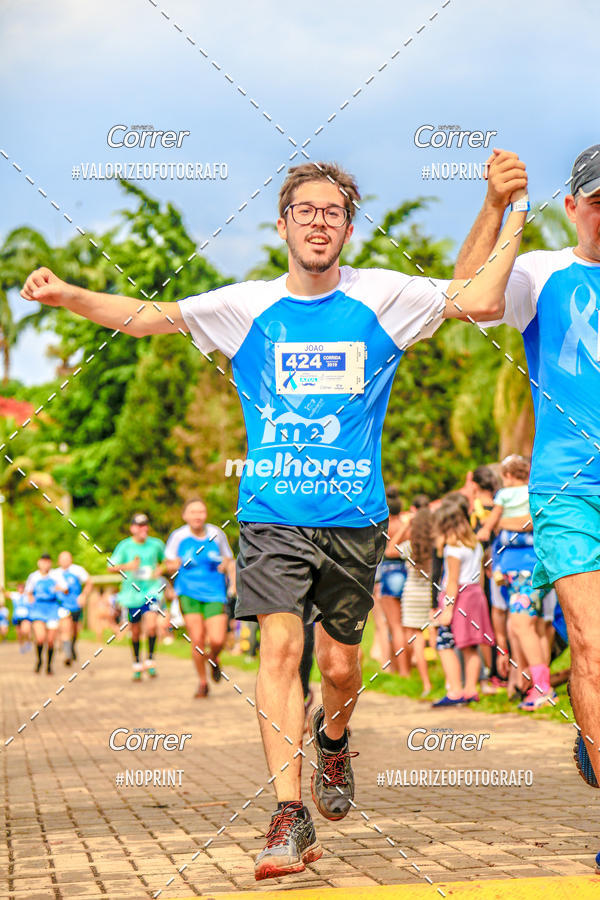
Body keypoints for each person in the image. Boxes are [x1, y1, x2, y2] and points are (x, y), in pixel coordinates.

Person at [21, 152, 529, 881]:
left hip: (353, 520)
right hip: (270, 514)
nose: (319, 223)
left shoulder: (383, 296)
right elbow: (144, 319)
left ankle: (334, 738)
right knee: (280, 655)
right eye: (306, 211)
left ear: (349, 228)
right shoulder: (247, 304)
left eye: (333, 213)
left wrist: (502, 208)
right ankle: (288, 813)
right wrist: (69, 294)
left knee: (340, 666)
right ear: (284, 223)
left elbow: (480, 300)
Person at [455, 143, 600, 778]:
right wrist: (494, 205)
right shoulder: (542, 274)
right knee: (593, 648)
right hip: (570, 487)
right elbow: (466, 296)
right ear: (572, 207)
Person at [478, 455, 555, 709]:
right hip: (511, 573)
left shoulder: (525, 495)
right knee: (516, 627)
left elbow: (531, 522)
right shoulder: (518, 495)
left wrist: (494, 524)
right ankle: (525, 683)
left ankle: (543, 688)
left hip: (526, 571)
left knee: (524, 627)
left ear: (508, 475)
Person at [164, 498, 235, 697]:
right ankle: (203, 682)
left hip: (215, 592)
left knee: (218, 639)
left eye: (201, 512)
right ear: (185, 515)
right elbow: (167, 563)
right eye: (193, 512)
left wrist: (226, 567)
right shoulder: (178, 536)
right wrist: (174, 564)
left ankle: (214, 658)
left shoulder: (215, 533)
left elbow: (229, 558)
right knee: (197, 640)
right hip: (188, 592)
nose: (197, 516)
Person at [431, 499, 494, 706]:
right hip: (475, 595)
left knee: (444, 643)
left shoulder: (453, 549)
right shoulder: (474, 543)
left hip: (459, 598)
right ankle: (470, 690)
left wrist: (447, 609)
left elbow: (452, 581)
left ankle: (456, 691)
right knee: (471, 645)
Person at [108, 513, 165, 681]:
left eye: (146, 525)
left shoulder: (156, 544)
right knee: (135, 631)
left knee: (152, 625)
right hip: (132, 595)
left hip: (152, 592)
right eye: (140, 525)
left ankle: (151, 660)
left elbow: (168, 561)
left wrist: (160, 570)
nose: (143, 528)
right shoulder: (124, 546)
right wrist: (128, 566)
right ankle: (137, 663)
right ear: (133, 528)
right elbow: (110, 567)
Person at [398, 506, 435, 696]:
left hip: (412, 596)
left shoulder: (409, 546)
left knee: (417, 640)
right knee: (438, 635)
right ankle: (448, 680)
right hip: (432, 595)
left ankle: (426, 684)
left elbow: (390, 549)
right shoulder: (437, 545)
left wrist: (407, 526)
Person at [377, 488, 410, 677]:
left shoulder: (385, 525)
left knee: (394, 626)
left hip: (389, 572)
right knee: (407, 626)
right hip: (406, 571)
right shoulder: (408, 525)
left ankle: (401, 670)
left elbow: (387, 551)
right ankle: (405, 668)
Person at [25, 554, 68, 675]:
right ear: (39, 563)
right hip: (38, 609)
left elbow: (65, 589)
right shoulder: (33, 577)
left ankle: (49, 665)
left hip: (52, 609)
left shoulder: (56, 575)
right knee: (40, 638)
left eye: (48, 562)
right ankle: (39, 661)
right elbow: (29, 592)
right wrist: (31, 601)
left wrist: (58, 589)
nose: (45, 565)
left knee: (50, 640)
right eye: (43, 562)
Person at [53, 551, 92, 666]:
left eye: (67, 558)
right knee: (66, 628)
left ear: (71, 559)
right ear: (59, 561)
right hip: (62, 605)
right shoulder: (55, 574)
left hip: (76, 605)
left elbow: (89, 582)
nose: (65, 561)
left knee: (75, 630)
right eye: (62, 559)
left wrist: (84, 595)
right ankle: (68, 654)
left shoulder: (78, 570)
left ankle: (72, 646)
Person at [9, 583, 32, 652]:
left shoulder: (27, 596)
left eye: (22, 588)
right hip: (17, 617)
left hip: (26, 616)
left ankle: (28, 641)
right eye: (19, 588)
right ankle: (21, 646)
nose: (20, 589)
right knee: (19, 633)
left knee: (26, 631)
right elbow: (6, 593)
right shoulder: (15, 595)